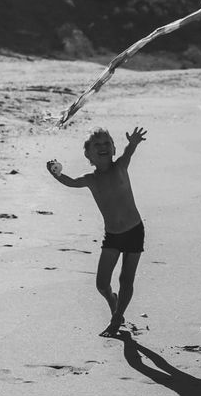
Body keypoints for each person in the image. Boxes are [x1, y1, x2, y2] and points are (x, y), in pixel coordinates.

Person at [47, 126, 148, 337]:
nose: (102, 147)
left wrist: (134, 142)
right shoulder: (90, 179)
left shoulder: (120, 166)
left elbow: (129, 151)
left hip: (134, 230)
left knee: (126, 280)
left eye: (106, 143)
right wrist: (56, 173)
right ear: (87, 153)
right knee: (102, 283)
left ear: (113, 149)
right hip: (112, 236)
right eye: (97, 144)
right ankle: (113, 302)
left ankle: (116, 320)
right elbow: (71, 182)